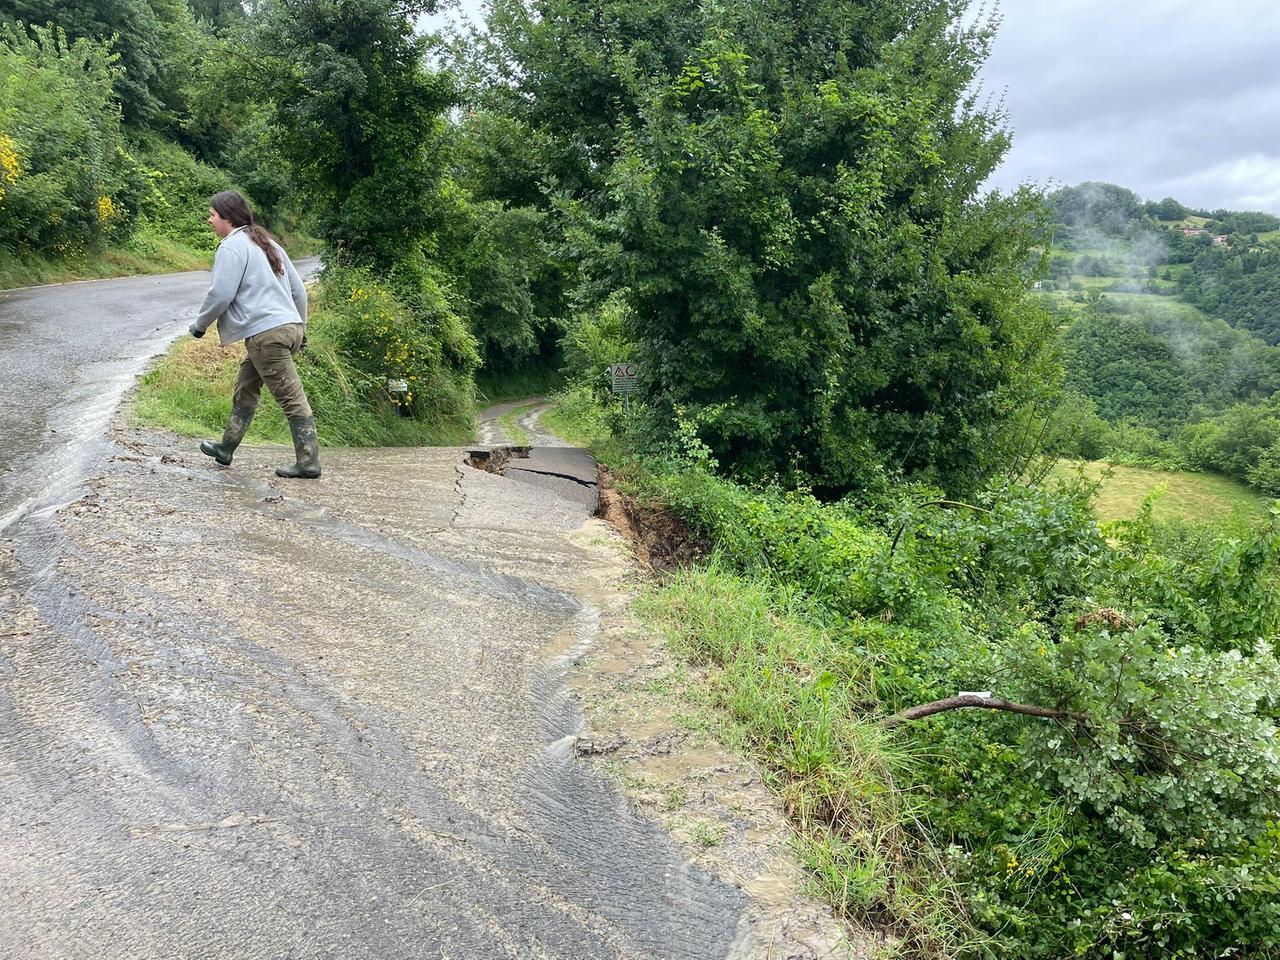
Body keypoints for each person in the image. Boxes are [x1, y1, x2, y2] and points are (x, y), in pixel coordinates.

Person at [190, 190, 320, 480]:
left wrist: (200, 325)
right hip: (288, 328)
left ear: (227, 218)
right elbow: (299, 291)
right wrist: (301, 328)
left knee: (291, 397)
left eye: (212, 215)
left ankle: (309, 462)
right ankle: (226, 448)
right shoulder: (268, 243)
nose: (209, 220)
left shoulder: (231, 247)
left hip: (267, 334)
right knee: (247, 384)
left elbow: (221, 293)